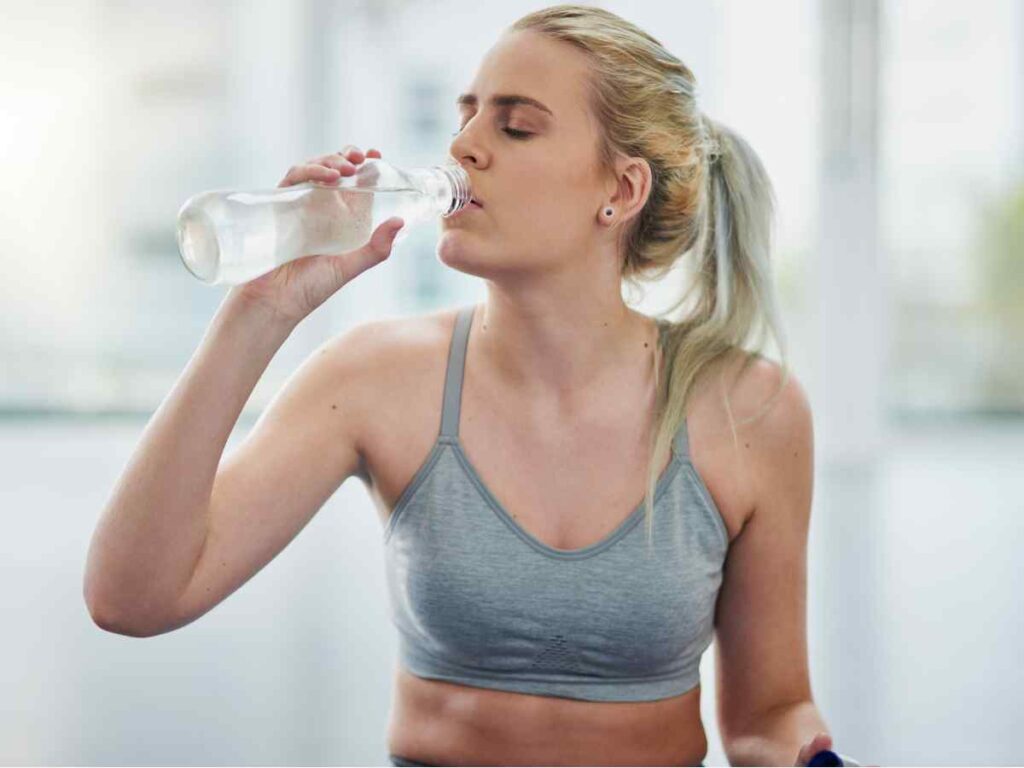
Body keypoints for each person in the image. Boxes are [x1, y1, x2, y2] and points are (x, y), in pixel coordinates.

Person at [85, 4, 835, 766]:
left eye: (514, 127)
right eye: (468, 115)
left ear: (621, 189)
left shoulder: (749, 410)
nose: (463, 146)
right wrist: (259, 311)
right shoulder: (375, 378)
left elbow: (767, 714)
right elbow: (132, 598)